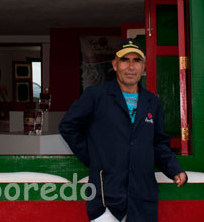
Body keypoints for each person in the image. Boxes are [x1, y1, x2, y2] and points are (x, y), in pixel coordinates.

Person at [59, 39, 187, 222]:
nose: (131, 66)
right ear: (115, 64)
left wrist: (174, 169)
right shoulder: (96, 96)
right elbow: (68, 126)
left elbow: (159, 143)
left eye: (136, 61)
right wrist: (93, 157)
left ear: (143, 66)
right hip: (106, 198)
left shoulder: (152, 102)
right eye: (125, 60)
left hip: (142, 198)